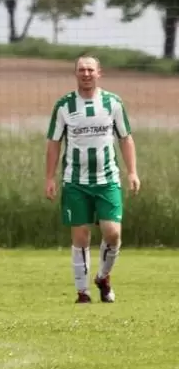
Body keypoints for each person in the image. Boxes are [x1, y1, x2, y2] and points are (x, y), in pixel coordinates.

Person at [45, 55, 140, 304]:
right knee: (81, 236)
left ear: (99, 73)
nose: (86, 74)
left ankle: (103, 277)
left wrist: (132, 172)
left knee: (113, 233)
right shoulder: (64, 105)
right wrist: (49, 178)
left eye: (90, 69)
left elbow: (125, 138)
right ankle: (83, 293)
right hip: (75, 182)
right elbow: (53, 142)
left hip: (107, 180)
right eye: (81, 70)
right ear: (75, 74)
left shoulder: (113, 103)